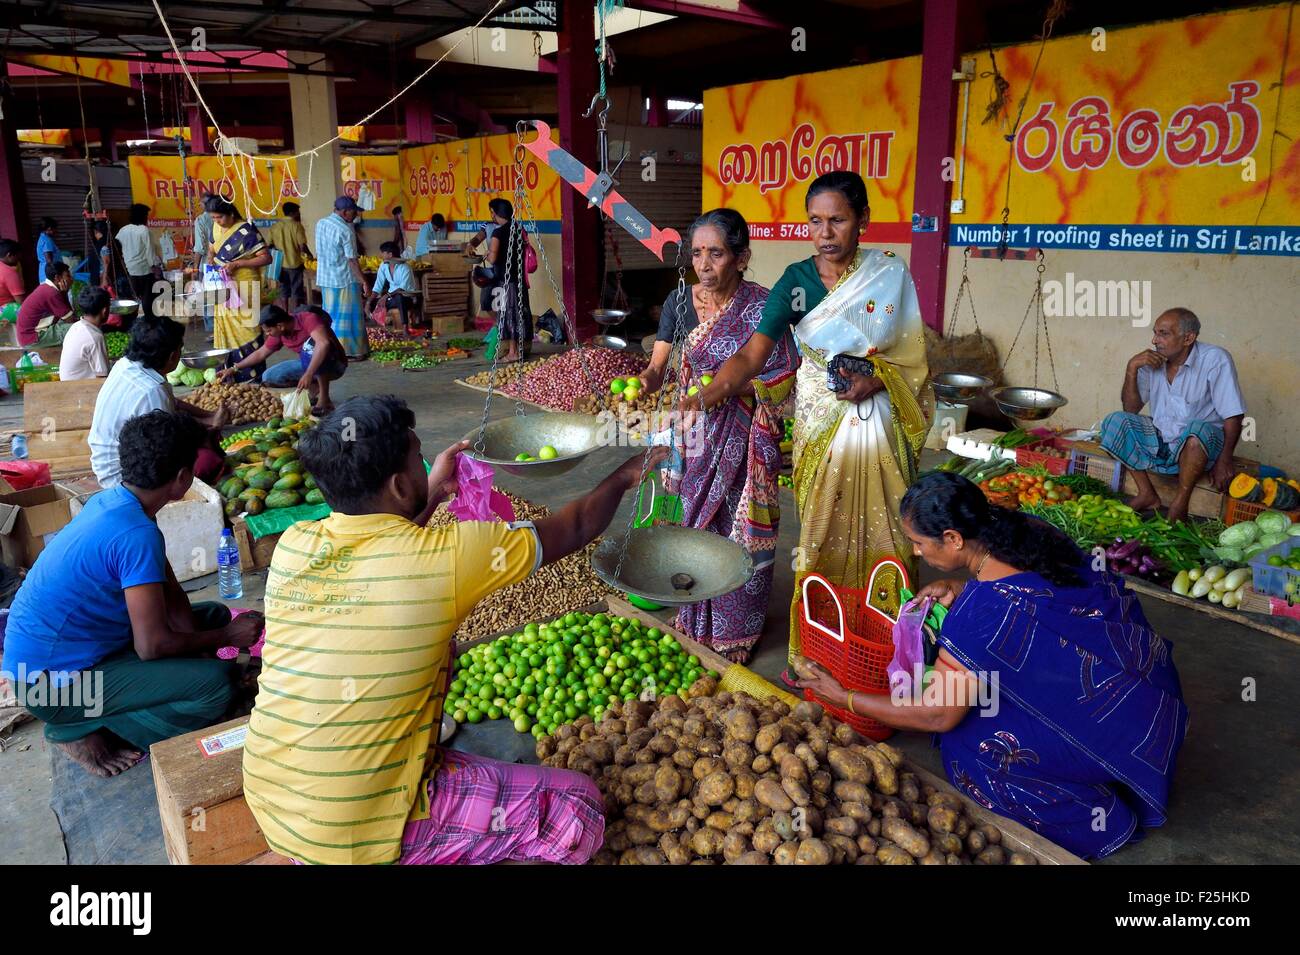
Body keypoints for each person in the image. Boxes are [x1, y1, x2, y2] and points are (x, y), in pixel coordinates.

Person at [242, 396, 667, 865]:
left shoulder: (294, 546)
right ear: (401, 484)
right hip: (356, 830)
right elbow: (579, 524)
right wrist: (626, 475)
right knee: (578, 806)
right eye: (417, 457)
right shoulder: (452, 556)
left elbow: (384, 545)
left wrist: (431, 493)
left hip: (272, 793)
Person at [793, 473, 1189, 859]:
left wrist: (844, 697)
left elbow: (937, 716)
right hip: (1147, 697)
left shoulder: (981, 616)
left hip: (1113, 728)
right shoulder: (1029, 530)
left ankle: (1090, 804)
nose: (916, 553)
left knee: (968, 743)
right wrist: (962, 589)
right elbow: (1048, 599)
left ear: (953, 539)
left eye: (918, 543)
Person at [683, 171, 932, 669]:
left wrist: (875, 381)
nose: (825, 232)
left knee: (889, 532)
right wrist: (708, 393)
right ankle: (821, 650)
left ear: (863, 219)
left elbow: (913, 358)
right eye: (815, 221)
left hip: (879, 424)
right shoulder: (794, 283)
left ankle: (888, 648)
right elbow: (753, 356)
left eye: (837, 219)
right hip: (822, 424)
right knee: (820, 536)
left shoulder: (888, 274)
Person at [1, 410, 264, 778]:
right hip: (47, 687)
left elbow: (173, 597)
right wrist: (226, 640)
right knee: (215, 688)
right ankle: (80, 728)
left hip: (71, 656)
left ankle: (103, 710)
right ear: (183, 478)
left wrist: (210, 644)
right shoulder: (134, 534)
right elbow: (151, 647)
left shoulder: (116, 503)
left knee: (214, 614)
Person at [639, 209, 799, 662]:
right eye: (697, 253)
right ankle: (694, 619)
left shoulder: (765, 306)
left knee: (741, 532)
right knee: (695, 524)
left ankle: (736, 634)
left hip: (748, 437)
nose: (704, 264)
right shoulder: (680, 303)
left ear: (742, 257)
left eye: (716, 253)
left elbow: (786, 373)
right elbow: (658, 364)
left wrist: (724, 390)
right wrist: (649, 380)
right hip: (695, 434)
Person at [1099, 308, 1246, 523]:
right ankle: (1147, 494)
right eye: (1155, 333)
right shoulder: (1152, 362)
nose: (1155, 340)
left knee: (1197, 432)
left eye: (1163, 334)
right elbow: (1130, 409)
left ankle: (1180, 502)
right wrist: (1131, 368)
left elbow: (1233, 415)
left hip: (1201, 446)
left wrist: (1225, 460)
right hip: (1163, 440)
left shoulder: (1215, 359)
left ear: (1188, 338)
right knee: (1116, 421)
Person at [88, 317, 229, 487]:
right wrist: (211, 431)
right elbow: (167, 448)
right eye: (180, 349)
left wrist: (210, 416)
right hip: (120, 476)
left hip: (108, 461)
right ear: (172, 356)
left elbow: (173, 404)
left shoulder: (126, 365)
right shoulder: (151, 391)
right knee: (207, 461)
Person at [222, 305, 347, 414]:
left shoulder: (308, 319)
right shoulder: (280, 332)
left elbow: (324, 343)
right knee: (269, 376)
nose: (267, 334)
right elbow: (261, 353)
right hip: (309, 363)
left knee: (311, 348)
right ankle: (315, 385)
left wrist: (308, 374)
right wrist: (235, 368)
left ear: (280, 326)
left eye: (269, 330)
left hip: (334, 363)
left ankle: (325, 400)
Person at [466, 198, 532, 362]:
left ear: (494, 212)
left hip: (504, 278)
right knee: (516, 312)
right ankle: (514, 346)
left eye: (491, 211)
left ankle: (513, 352)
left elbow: (494, 258)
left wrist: (488, 255)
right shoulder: (518, 228)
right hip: (518, 278)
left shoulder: (498, 232)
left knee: (509, 313)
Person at [207, 195, 272, 352]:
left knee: (248, 327)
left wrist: (238, 263)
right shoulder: (215, 227)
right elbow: (211, 249)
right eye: (213, 218)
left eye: (220, 217)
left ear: (231, 213)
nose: (217, 221)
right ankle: (227, 370)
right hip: (222, 284)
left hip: (245, 285)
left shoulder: (246, 229)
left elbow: (266, 257)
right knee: (225, 325)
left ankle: (252, 371)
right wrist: (211, 258)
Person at [315, 195, 370, 358]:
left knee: (331, 316)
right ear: (346, 212)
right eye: (354, 213)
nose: (356, 216)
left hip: (326, 278)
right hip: (344, 279)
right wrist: (364, 281)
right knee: (349, 317)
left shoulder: (321, 223)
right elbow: (352, 261)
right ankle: (351, 351)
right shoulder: (346, 230)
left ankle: (333, 350)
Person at [118, 203, 162, 320]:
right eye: (146, 216)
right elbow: (150, 253)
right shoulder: (144, 230)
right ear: (142, 216)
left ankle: (132, 322)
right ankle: (149, 321)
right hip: (145, 271)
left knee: (132, 301)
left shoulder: (123, 230)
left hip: (130, 271)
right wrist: (156, 268)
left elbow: (117, 247)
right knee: (147, 300)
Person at [16, 261, 76, 347]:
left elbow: (67, 315)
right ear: (57, 278)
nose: (71, 279)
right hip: (33, 338)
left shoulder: (47, 288)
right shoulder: (51, 293)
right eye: (68, 276)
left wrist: (64, 293)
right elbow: (70, 320)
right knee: (78, 329)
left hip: (28, 336)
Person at [59, 286, 111, 381]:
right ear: (104, 311)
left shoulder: (76, 326)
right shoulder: (95, 337)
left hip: (67, 382)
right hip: (80, 389)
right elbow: (102, 376)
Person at [266, 201, 311, 311]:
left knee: (283, 290)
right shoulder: (296, 225)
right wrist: (309, 255)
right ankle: (295, 313)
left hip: (279, 264)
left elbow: (269, 244)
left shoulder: (275, 226)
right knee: (296, 290)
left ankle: (285, 312)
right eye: (298, 212)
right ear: (293, 213)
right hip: (294, 263)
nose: (299, 214)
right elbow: (302, 246)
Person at [370, 240, 419, 332]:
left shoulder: (405, 268)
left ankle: (405, 328)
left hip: (406, 298)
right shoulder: (383, 266)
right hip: (391, 299)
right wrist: (369, 301)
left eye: (383, 253)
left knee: (399, 297)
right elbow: (378, 286)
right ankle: (381, 327)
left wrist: (386, 295)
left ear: (390, 255)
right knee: (373, 302)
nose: (381, 256)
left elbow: (401, 288)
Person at [0, 239, 26, 311]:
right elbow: (21, 301)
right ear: (9, 255)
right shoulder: (9, 272)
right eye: (17, 256)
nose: (19, 259)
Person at [36, 217, 59, 284]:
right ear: (49, 228)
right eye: (55, 228)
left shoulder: (42, 237)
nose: (56, 231)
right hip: (49, 274)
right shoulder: (46, 240)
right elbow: (49, 260)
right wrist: (56, 274)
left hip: (45, 271)